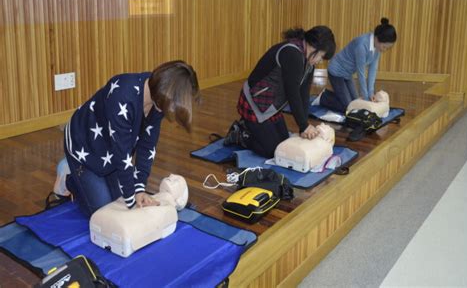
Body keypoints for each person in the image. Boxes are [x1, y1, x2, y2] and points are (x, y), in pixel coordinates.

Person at [60, 60, 200, 217]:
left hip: (109, 152)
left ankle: (86, 181)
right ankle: (70, 180)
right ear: (166, 91)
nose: (172, 110)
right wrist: (133, 202)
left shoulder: (159, 101)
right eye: (174, 104)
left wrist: (139, 188)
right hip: (83, 146)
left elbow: (147, 147)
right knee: (103, 213)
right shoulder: (123, 95)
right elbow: (122, 153)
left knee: (119, 201)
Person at [225, 26, 336, 158]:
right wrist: (304, 125)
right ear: (314, 46)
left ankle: (252, 129)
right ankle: (240, 134)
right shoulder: (292, 54)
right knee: (272, 151)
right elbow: (293, 93)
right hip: (254, 103)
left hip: (270, 106)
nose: (320, 61)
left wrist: (303, 125)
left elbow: (304, 94)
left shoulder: (308, 62)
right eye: (321, 56)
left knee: (283, 145)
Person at [317, 17, 396, 113]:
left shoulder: (377, 49)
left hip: (347, 74)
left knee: (355, 101)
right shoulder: (362, 45)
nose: (384, 50)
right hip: (336, 72)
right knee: (350, 107)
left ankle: (339, 96)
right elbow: (361, 73)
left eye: (387, 48)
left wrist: (371, 93)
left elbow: (372, 70)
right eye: (384, 47)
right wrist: (367, 98)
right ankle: (324, 97)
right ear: (377, 39)